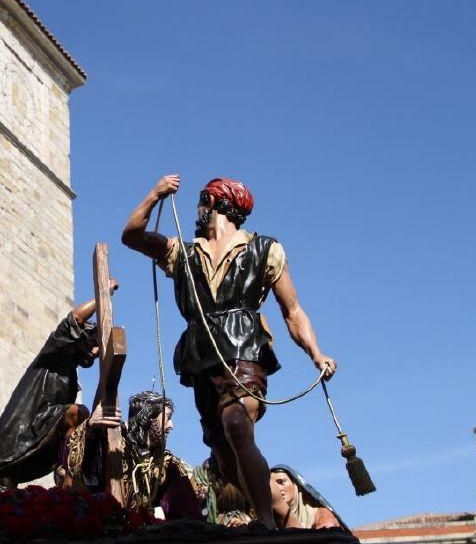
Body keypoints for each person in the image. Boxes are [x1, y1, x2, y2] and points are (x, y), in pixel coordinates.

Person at [122, 175, 337, 529]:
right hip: (201, 358)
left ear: (214, 202)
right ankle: (268, 514)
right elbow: (131, 235)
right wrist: (155, 194)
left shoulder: (265, 249)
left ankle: (266, 524)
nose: (197, 211)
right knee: (223, 456)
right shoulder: (184, 253)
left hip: (244, 349)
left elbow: (293, 311)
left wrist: (316, 352)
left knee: (237, 424)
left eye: (201, 202)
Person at [0, 280, 118, 491]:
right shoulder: (56, 349)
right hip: (18, 435)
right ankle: (72, 485)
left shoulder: (70, 373)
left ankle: (72, 484)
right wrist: (104, 295)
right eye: (92, 346)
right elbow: (75, 318)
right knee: (78, 415)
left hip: (31, 436)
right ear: (79, 340)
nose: (93, 353)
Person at [64, 391, 201, 520]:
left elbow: (186, 511)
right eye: (168, 418)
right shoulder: (114, 446)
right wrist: (91, 430)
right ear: (149, 417)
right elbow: (83, 470)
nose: (171, 426)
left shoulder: (166, 465)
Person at [270, 465, 345, 530]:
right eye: (273, 485)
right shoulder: (270, 519)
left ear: (296, 485)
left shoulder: (320, 514)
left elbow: (328, 536)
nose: (277, 489)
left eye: (281, 482)